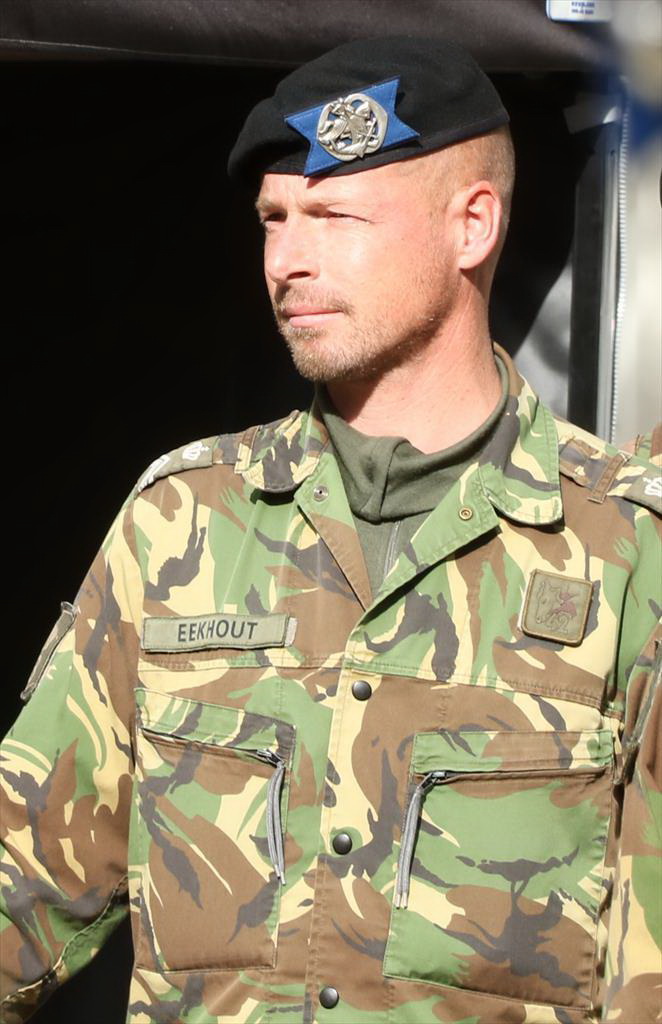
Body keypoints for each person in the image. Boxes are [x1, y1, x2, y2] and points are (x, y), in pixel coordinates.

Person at [1, 36, 660, 1024]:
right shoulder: (182, 521)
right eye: (274, 219)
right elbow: (23, 874)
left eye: (334, 217)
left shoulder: (625, 546)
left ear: (471, 225)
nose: (286, 261)